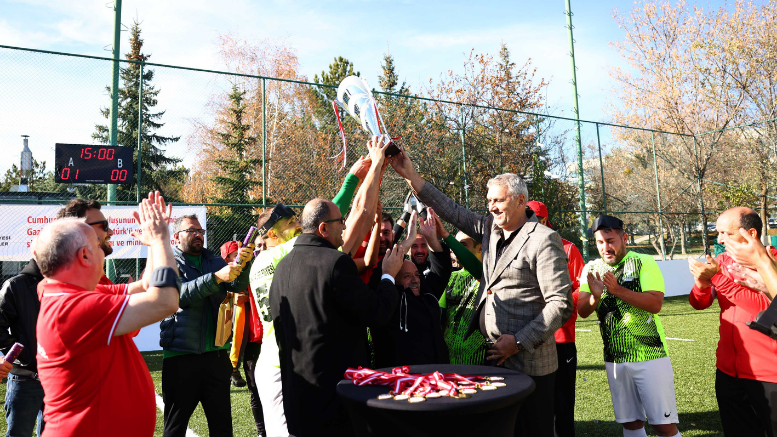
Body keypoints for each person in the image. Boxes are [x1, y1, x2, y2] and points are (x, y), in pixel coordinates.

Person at [390, 150, 572, 437]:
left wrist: (519, 341)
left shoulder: (543, 239)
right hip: (493, 357)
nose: (492, 207)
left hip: (530, 362)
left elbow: (560, 304)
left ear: (521, 200)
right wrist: (412, 176)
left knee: (532, 430)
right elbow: (451, 209)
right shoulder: (490, 227)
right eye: (489, 201)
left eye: (498, 200)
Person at [36, 193, 181, 437]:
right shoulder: (72, 307)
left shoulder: (72, 295)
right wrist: (160, 241)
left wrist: (154, 245)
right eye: (97, 244)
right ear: (84, 256)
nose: (105, 245)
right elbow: (164, 301)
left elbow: (147, 286)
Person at [269, 196, 404, 437]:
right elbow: (377, 312)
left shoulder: (282, 266)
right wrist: (388, 276)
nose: (344, 226)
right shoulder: (336, 263)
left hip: (297, 398)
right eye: (340, 221)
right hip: (334, 401)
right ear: (323, 228)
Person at [579, 214, 680, 437]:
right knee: (631, 423)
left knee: (663, 425)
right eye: (600, 242)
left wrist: (617, 291)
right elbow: (582, 310)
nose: (606, 247)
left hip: (650, 354)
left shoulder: (644, 262)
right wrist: (595, 298)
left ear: (624, 238)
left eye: (611, 240)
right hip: (615, 358)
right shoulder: (592, 267)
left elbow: (655, 303)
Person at [160, 214, 254, 437]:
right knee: (174, 428)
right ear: (176, 237)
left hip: (217, 357)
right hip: (180, 357)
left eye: (200, 231)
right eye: (192, 230)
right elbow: (177, 296)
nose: (198, 235)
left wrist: (244, 264)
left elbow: (235, 287)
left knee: (222, 428)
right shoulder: (166, 262)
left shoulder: (214, 260)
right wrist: (216, 278)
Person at [688, 207, 777, 437]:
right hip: (728, 372)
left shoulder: (773, 261)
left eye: (726, 233)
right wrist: (701, 284)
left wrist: (716, 278)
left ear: (751, 234)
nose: (720, 239)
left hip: (768, 375)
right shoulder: (722, 261)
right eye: (718, 233)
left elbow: (764, 309)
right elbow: (699, 303)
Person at [526, 200, 585, 437]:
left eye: (536, 219)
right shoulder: (517, 246)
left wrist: (557, 304)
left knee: (562, 398)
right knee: (532, 399)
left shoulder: (568, 248)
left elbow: (582, 287)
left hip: (560, 337)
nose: (532, 224)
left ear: (545, 220)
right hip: (527, 336)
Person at [372, 210, 451, 367]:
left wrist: (432, 239)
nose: (415, 280)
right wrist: (408, 241)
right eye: (407, 276)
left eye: (416, 274)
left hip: (436, 374)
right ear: (394, 279)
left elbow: (442, 271)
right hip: (400, 380)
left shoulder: (427, 294)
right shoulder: (387, 301)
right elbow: (379, 276)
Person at [220, 240, 266, 436]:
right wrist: (230, 297)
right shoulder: (225, 273)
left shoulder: (260, 264)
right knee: (256, 390)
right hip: (250, 340)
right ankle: (262, 432)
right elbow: (220, 306)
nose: (242, 254)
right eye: (236, 253)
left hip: (267, 335)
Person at [0, 255, 46, 437]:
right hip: (25, 380)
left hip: (59, 380)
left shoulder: (68, 284)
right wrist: (24, 358)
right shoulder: (15, 285)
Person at [56, 199, 117, 285]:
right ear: (81, 229)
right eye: (104, 225)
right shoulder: (78, 282)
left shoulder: (96, 276)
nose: (111, 232)